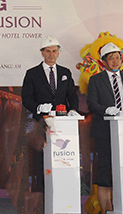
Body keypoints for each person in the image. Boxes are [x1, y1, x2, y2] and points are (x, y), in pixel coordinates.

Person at [86, 42, 123, 212]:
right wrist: (106, 110)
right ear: (104, 61)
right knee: (105, 167)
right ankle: (106, 207)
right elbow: (92, 104)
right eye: (111, 58)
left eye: (117, 57)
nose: (115, 61)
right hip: (105, 130)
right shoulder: (96, 80)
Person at [21, 35, 80, 191]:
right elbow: (26, 98)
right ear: (42, 53)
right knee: (42, 158)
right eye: (48, 51)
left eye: (54, 51)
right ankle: (42, 192)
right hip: (41, 124)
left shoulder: (65, 72)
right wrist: (39, 108)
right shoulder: (32, 73)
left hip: (63, 124)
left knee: (63, 156)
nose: (51, 54)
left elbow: (72, 95)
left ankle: (64, 188)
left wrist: (73, 109)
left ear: (58, 52)